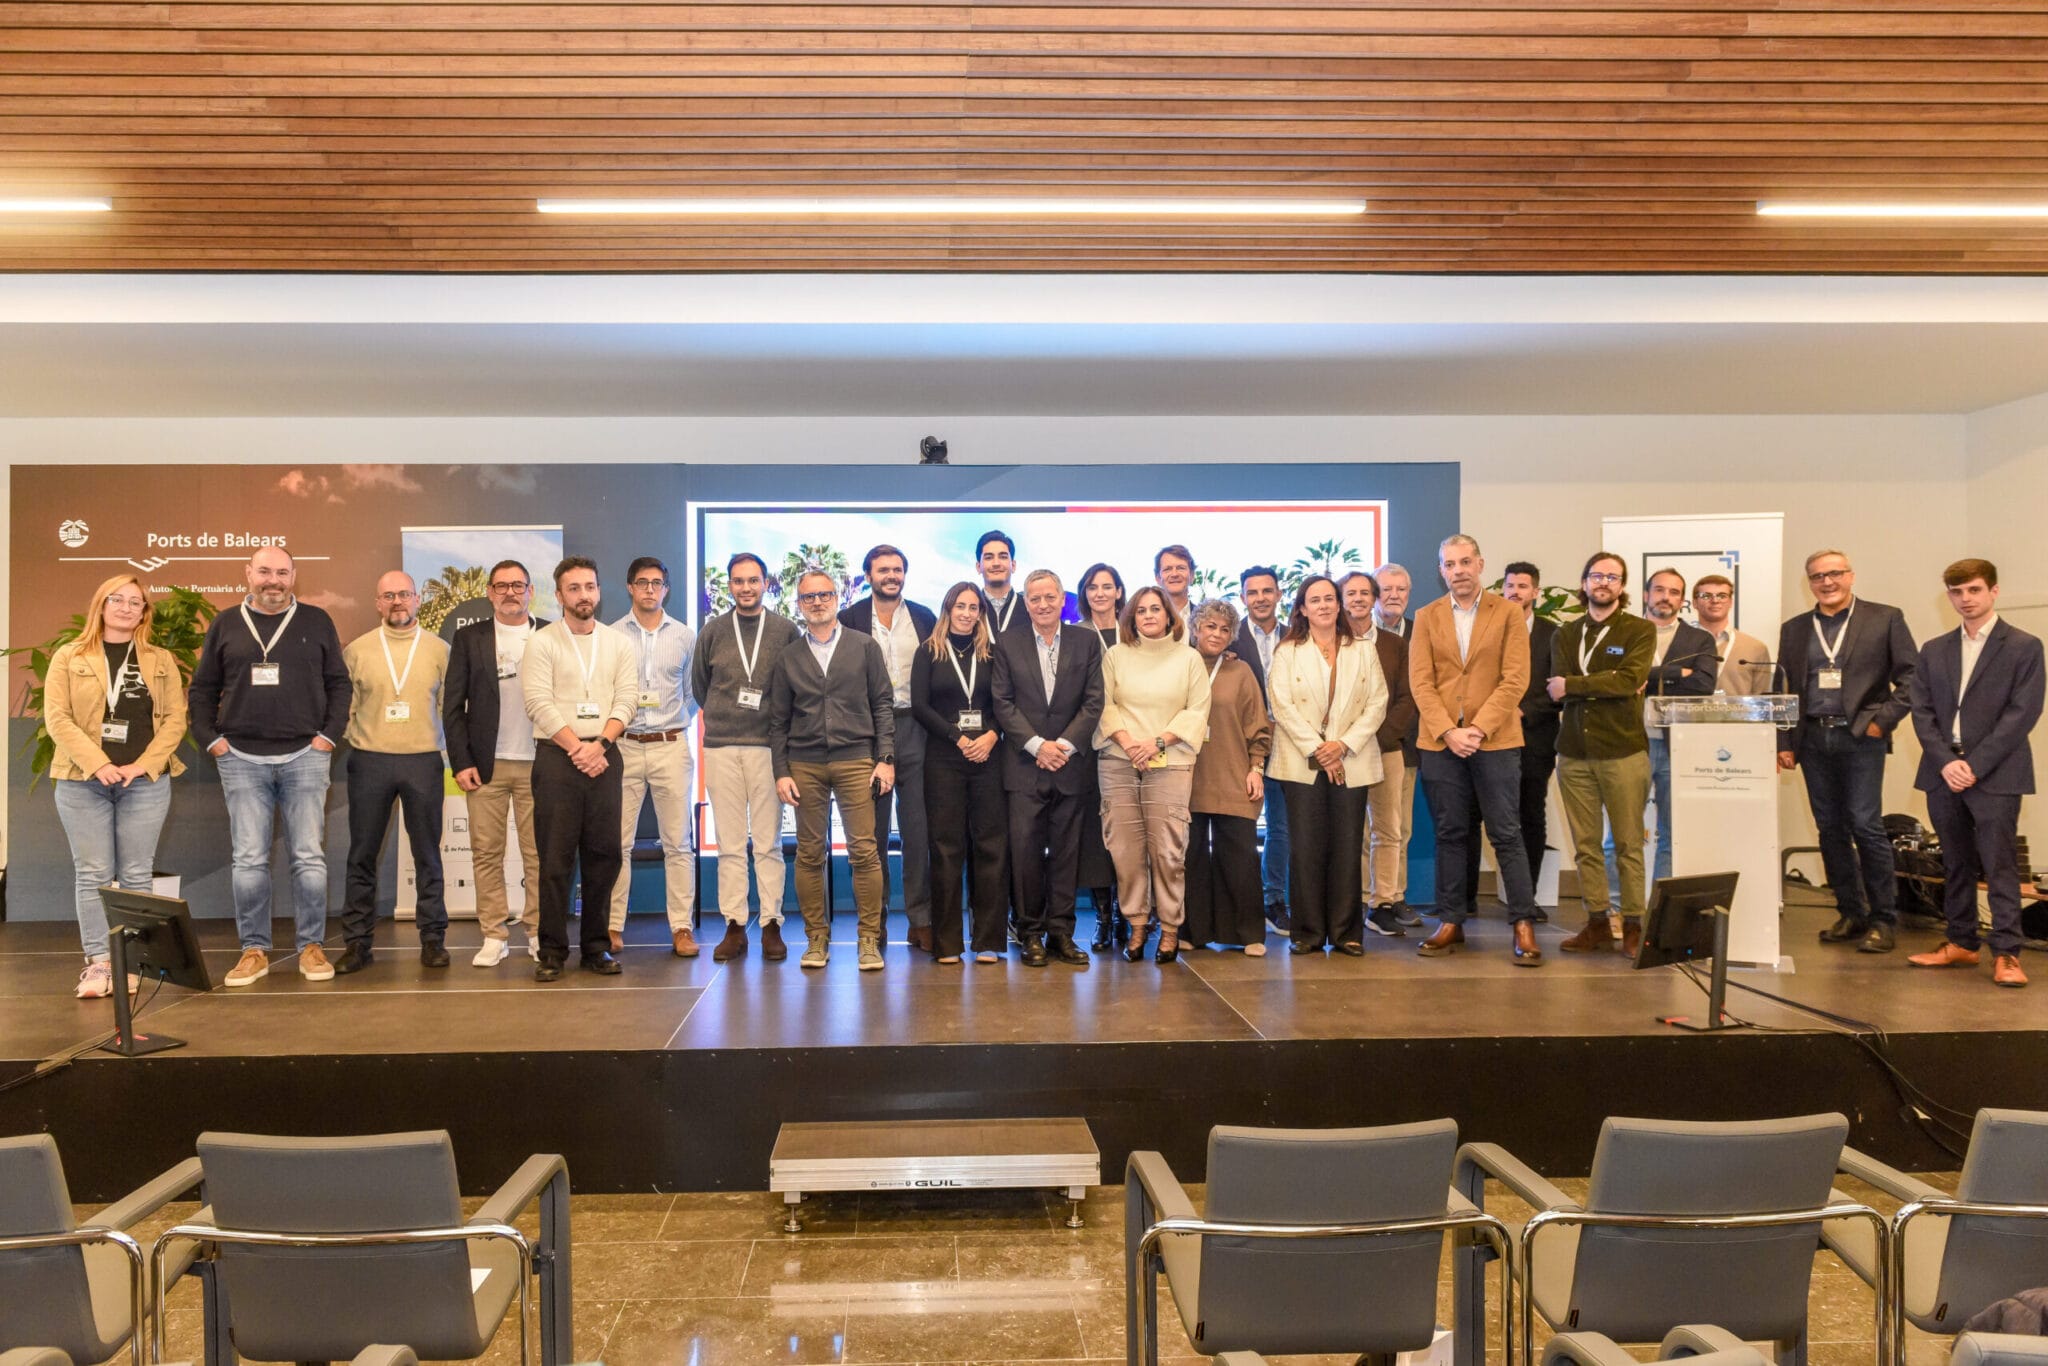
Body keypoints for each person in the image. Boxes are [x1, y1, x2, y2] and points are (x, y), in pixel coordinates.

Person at [189, 546, 351, 988]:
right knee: (248, 860)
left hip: (305, 757)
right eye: (264, 571)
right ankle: (253, 950)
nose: (273, 580)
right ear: (248, 574)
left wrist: (327, 738)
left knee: (309, 857)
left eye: (281, 572)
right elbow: (202, 689)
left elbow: (339, 684)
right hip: (240, 758)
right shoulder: (225, 623)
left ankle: (311, 947)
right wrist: (212, 741)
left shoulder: (316, 620)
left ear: (293, 576)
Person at [44, 574, 189, 999]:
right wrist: (99, 764)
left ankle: (133, 962)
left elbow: (175, 719)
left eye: (135, 602)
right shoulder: (68, 656)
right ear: (101, 605)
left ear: (144, 613)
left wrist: (144, 765)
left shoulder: (160, 660)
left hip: (144, 782)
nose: (126, 607)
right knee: (93, 873)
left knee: (136, 875)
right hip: (82, 781)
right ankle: (99, 963)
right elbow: (58, 718)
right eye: (117, 599)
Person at [1906, 559, 2044, 989]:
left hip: (1996, 772)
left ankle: (2007, 952)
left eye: (1974, 590)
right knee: (1955, 862)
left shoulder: (2024, 646)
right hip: (1942, 770)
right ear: (1948, 595)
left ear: (1993, 591)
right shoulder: (1934, 649)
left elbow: (2023, 713)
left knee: (2000, 864)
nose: (1965, 599)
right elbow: (1921, 710)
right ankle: (1961, 941)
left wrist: (1975, 765)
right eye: (1956, 591)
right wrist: (1946, 761)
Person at [1408, 535, 1543, 965]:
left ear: (1480, 564)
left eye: (1465, 562)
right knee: (1450, 833)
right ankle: (1451, 921)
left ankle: (1523, 923)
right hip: (1441, 742)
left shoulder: (1507, 613)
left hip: (1496, 740)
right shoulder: (1426, 616)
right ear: (1441, 570)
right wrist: (1449, 730)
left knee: (1506, 833)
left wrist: (1479, 728)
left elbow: (1515, 679)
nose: (1458, 570)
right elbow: (1421, 683)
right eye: (1450, 564)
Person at [1776, 549, 1918, 953]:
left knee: (1865, 825)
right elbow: (1782, 689)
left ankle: (1883, 920)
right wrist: (1784, 741)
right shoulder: (1795, 629)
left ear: (1851, 576)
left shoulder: (1884, 618)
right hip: (1812, 739)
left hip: (1861, 737)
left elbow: (1912, 677)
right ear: (1809, 583)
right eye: (1817, 576)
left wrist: (1882, 721)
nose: (1827, 582)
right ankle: (1851, 913)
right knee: (1830, 828)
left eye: (1835, 573)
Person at [769, 568, 896, 972]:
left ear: (837, 598)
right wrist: (781, 771)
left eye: (824, 594)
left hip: (857, 760)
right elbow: (778, 721)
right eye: (809, 597)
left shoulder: (864, 647)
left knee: (864, 851)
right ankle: (816, 938)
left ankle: (868, 939)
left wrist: (885, 759)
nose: (818, 602)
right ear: (799, 604)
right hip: (804, 765)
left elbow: (882, 704)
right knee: (809, 854)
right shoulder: (788, 657)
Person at [522, 556, 639, 981]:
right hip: (558, 757)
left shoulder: (618, 643)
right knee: (555, 859)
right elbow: (538, 702)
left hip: (605, 755)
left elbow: (627, 698)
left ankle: (595, 947)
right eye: (574, 588)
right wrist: (578, 749)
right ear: (559, 595)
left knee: (604, 857)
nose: (583, 595)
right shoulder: (542, 642)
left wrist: (600, 745)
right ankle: (552, 951)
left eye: (589, 587)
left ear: (599, 592)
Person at [336, 570, 451, 975]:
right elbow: (346, 707)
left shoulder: (440, 649)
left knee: (428, 855)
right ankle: (357, 943)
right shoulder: (358, 650)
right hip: (370, 760)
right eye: (388, 596)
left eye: (404, 594)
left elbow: (448, 707)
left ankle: (433, 940)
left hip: (423, 760)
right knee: (362, 855)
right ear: (377, 603)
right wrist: (363, 738)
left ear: (417, 599)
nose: (397, 602)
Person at [1265, 575, 1387, 955]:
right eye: (1314, 600)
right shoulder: (1288, 651)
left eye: (1329, 598)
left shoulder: (1363, 649)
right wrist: (1320, 750)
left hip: (1352, 759)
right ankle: (1307, 933)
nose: (1323, 605)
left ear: (1339, 605)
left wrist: (1342, 746)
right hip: (1301, 762)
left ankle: (1347, 932)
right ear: (1302, 608)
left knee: (1348, 847)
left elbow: (1377, 702)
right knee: (1305, 848)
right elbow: (1281, 706)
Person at [992, 569, 1105, 967]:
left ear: (1062, 600)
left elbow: (1094, 701)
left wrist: (1065, 746)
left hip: (1071, 766)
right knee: (1024, 854)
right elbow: (1002, 702)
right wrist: (1039, 746)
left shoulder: (1085, 641)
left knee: (1066, 854)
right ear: (1026, 603)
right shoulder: (1007, 642)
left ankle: (1061, 933)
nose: (1042, 605)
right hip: (1025, 765)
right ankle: (1030, 933)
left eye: (1049, 597)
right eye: (1035, 598)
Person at [692, 552, 802, 962]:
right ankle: (735, 926)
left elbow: (795, 687)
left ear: (765, 583)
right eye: (738, 581)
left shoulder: (785, 630)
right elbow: (700, 686)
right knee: (730, 844)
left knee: (769, 843)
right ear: (730, 585)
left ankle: (771, 923)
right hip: (721, 747)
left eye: (753, 580)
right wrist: (725, 715)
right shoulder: (713, 631)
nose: (746, 588)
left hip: (768, 748)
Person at [1097, 585, 1212, 963]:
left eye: (1155, 609)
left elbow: (1197, 710)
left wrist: (1156, 743)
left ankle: (1170, 928)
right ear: (1131, 617)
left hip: (1171, 760)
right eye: (1141, 610)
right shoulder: (1115, 655)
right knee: (1125, 850)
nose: (1148, 615)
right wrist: (1131, 744)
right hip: (1119, 760)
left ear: (1168, 616)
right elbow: (1104, 705)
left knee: (1168, 850)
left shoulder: (1189, 658)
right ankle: (1136, 924)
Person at [1548, 552, 1656, 957]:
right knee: (1586, 845)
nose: (1604, 582)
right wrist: (1598, 684)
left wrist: (1575, 685)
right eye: (1597, 575)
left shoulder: (1639, 630)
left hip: (1622, 751)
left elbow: (1628, 680)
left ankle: (1632, 924)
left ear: (1622, 586)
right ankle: (1597, 922)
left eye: (1612, 577)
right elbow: (1554, 688)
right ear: (1584, 582)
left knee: (1628, 844)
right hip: (1573, 753)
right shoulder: (1566, 633)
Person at [445, 559, 551, 966]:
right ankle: (493, 934)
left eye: (518, 585)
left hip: (540, 762)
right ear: (490, 593)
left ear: (530, 592)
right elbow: (452, 707)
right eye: (502, 586)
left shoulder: (550, 634)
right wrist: (461, 761)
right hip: (486, 765)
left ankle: (539, 932)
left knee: (539, 854)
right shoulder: (469, 638)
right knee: (486, 852)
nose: (510, 592)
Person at [840, 545, 938, 952]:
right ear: (869, 575)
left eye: (897, 569)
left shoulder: (925, 617)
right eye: (883, 570)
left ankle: (921, 920)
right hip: (866, 732)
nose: (891, 576)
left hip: (916, 727)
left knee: (919, 833)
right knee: (871, 836)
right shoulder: (849, 619)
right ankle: (874, 922)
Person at [911, 582, 1007, 965]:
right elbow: (920, 706)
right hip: (944, 758)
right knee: (946, 849)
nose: (967, 613)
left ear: (981, 612)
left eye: (973, 607)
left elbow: (1006, 702)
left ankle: (988, 941)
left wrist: (992, 736)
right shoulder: (928, 652)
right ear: (948, 609)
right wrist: (958, 737)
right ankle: (948, 943)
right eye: (960, 606)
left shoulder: (993, 653)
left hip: (988, 757)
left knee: (990, 847)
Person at [609, 556, 700, 957]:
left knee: (678, 843)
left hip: (670, 745)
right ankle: (612, 926)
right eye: (642, 582)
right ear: (630, 587)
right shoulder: (611, 635)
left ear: (666, 589)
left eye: (657, 583)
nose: (650, 589)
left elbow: (693, 693)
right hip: (623, 745)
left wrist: (671, 724)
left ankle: (681, 927)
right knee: (618, 842)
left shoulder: (684, 636)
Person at [1613, 567, 1718, 894]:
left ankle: (1661, 906)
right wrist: (1676, 673)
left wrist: (1647, 675)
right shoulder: (1623, 633)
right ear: (1646, 594)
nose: (1665, 597)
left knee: (1672, 833)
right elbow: (1615, 681)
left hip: (1677, 747)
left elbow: (1702, 685)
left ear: (1683, 600)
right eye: (1659, 590)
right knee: (1619, 833)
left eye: (1674, 592)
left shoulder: (1700, 639)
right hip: (1630, 744)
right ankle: (1618, 905)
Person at [1184, 599, 1273, 954]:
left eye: (1225, 629)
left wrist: (1256, 768)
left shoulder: (1241, 671)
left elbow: (1258, 725)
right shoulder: (1179, 666)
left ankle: (1247, 934)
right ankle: (1192, 931)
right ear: (1195, 629)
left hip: (1234, 776)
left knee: (1239, 859)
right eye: (1210, 626)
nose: (1217, 634)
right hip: (1186, 778)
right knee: (1189, 859)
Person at [1340, 572, 1417, 939]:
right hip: (1340, 753)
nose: (1358, 598)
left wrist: (1380, 738)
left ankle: (1382, 903)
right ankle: (1352, 900)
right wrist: (1347, 741)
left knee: (1388, 830)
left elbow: (1407, 696)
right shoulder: (1331, 642)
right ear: (1342, 599)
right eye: (1350, 593)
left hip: (1386, 749)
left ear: (1375, 598)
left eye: (1364, 593)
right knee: (1350, 830)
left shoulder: (1395, 644)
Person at [1493, 562, 1560, 895]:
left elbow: (1560, 687)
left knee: (1531, 815)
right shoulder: (1489, 629)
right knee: (1490, 816)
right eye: (1510, 586)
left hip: (1536, 739)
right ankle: (1467, 901)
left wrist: (1523, 711)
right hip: (1492, 738)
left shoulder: (1553, 634)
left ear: (1536, 592)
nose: (1515, 592)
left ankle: (1526, 896)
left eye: (1522, 586)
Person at [1232, 565, 1291, 933]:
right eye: (1252, 592)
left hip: (1288, 744)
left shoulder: (1296, 636)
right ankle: (1241, 904)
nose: (1260, 598)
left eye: (1267, 591)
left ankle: (1274, 899)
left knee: (1281, 828)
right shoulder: (1229, 639)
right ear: (1243, 597)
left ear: (1279, 595)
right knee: (1240, 829)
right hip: (1241, 746)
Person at [1076, 562, 1127, 951]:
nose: (1100, 593)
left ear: (1119, 592)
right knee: (1095, 835)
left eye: (1107, 586)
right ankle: (1103, 917)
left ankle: (1130, 914)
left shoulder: (1136, 633)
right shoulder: (1075, 635)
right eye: (1092, 587)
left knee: (1127, 833)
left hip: (1132, 746)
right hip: (1088, 745)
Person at [1371, 561, 1422, 925]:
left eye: (1400, 589)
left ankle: (1394, 895)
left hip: (1404, 744)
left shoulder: (1421, 633)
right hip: (1358, 746)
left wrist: (1392, 733)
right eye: (1386, 589)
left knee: (1398, 827)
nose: (1393, 595)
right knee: (1364, 830)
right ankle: (1367, 897)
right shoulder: (1356, 634)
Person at [1692, 574, 1773, 697]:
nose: (1715, 601)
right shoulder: (1680, 644)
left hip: (1739, 711)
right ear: (1694, 603)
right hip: (1691, 711)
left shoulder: (1756, 648)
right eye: (1706, 596)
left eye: (1722, 596)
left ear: (1731, 602)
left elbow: (1761, 701)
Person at [975, 530, 1030, 641]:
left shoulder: (1030, 608)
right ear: (978, 567)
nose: (996, 563)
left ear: (1013, 565)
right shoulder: (970, 609)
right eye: (989, 557)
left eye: (1003, 557)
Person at [1154, 545, 1198, 636]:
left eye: (1181, 568)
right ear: (1158, 578)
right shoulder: (1146, 619)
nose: (1174, 574)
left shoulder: (1205, 619)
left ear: (1192, 575)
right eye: (1167, 569)